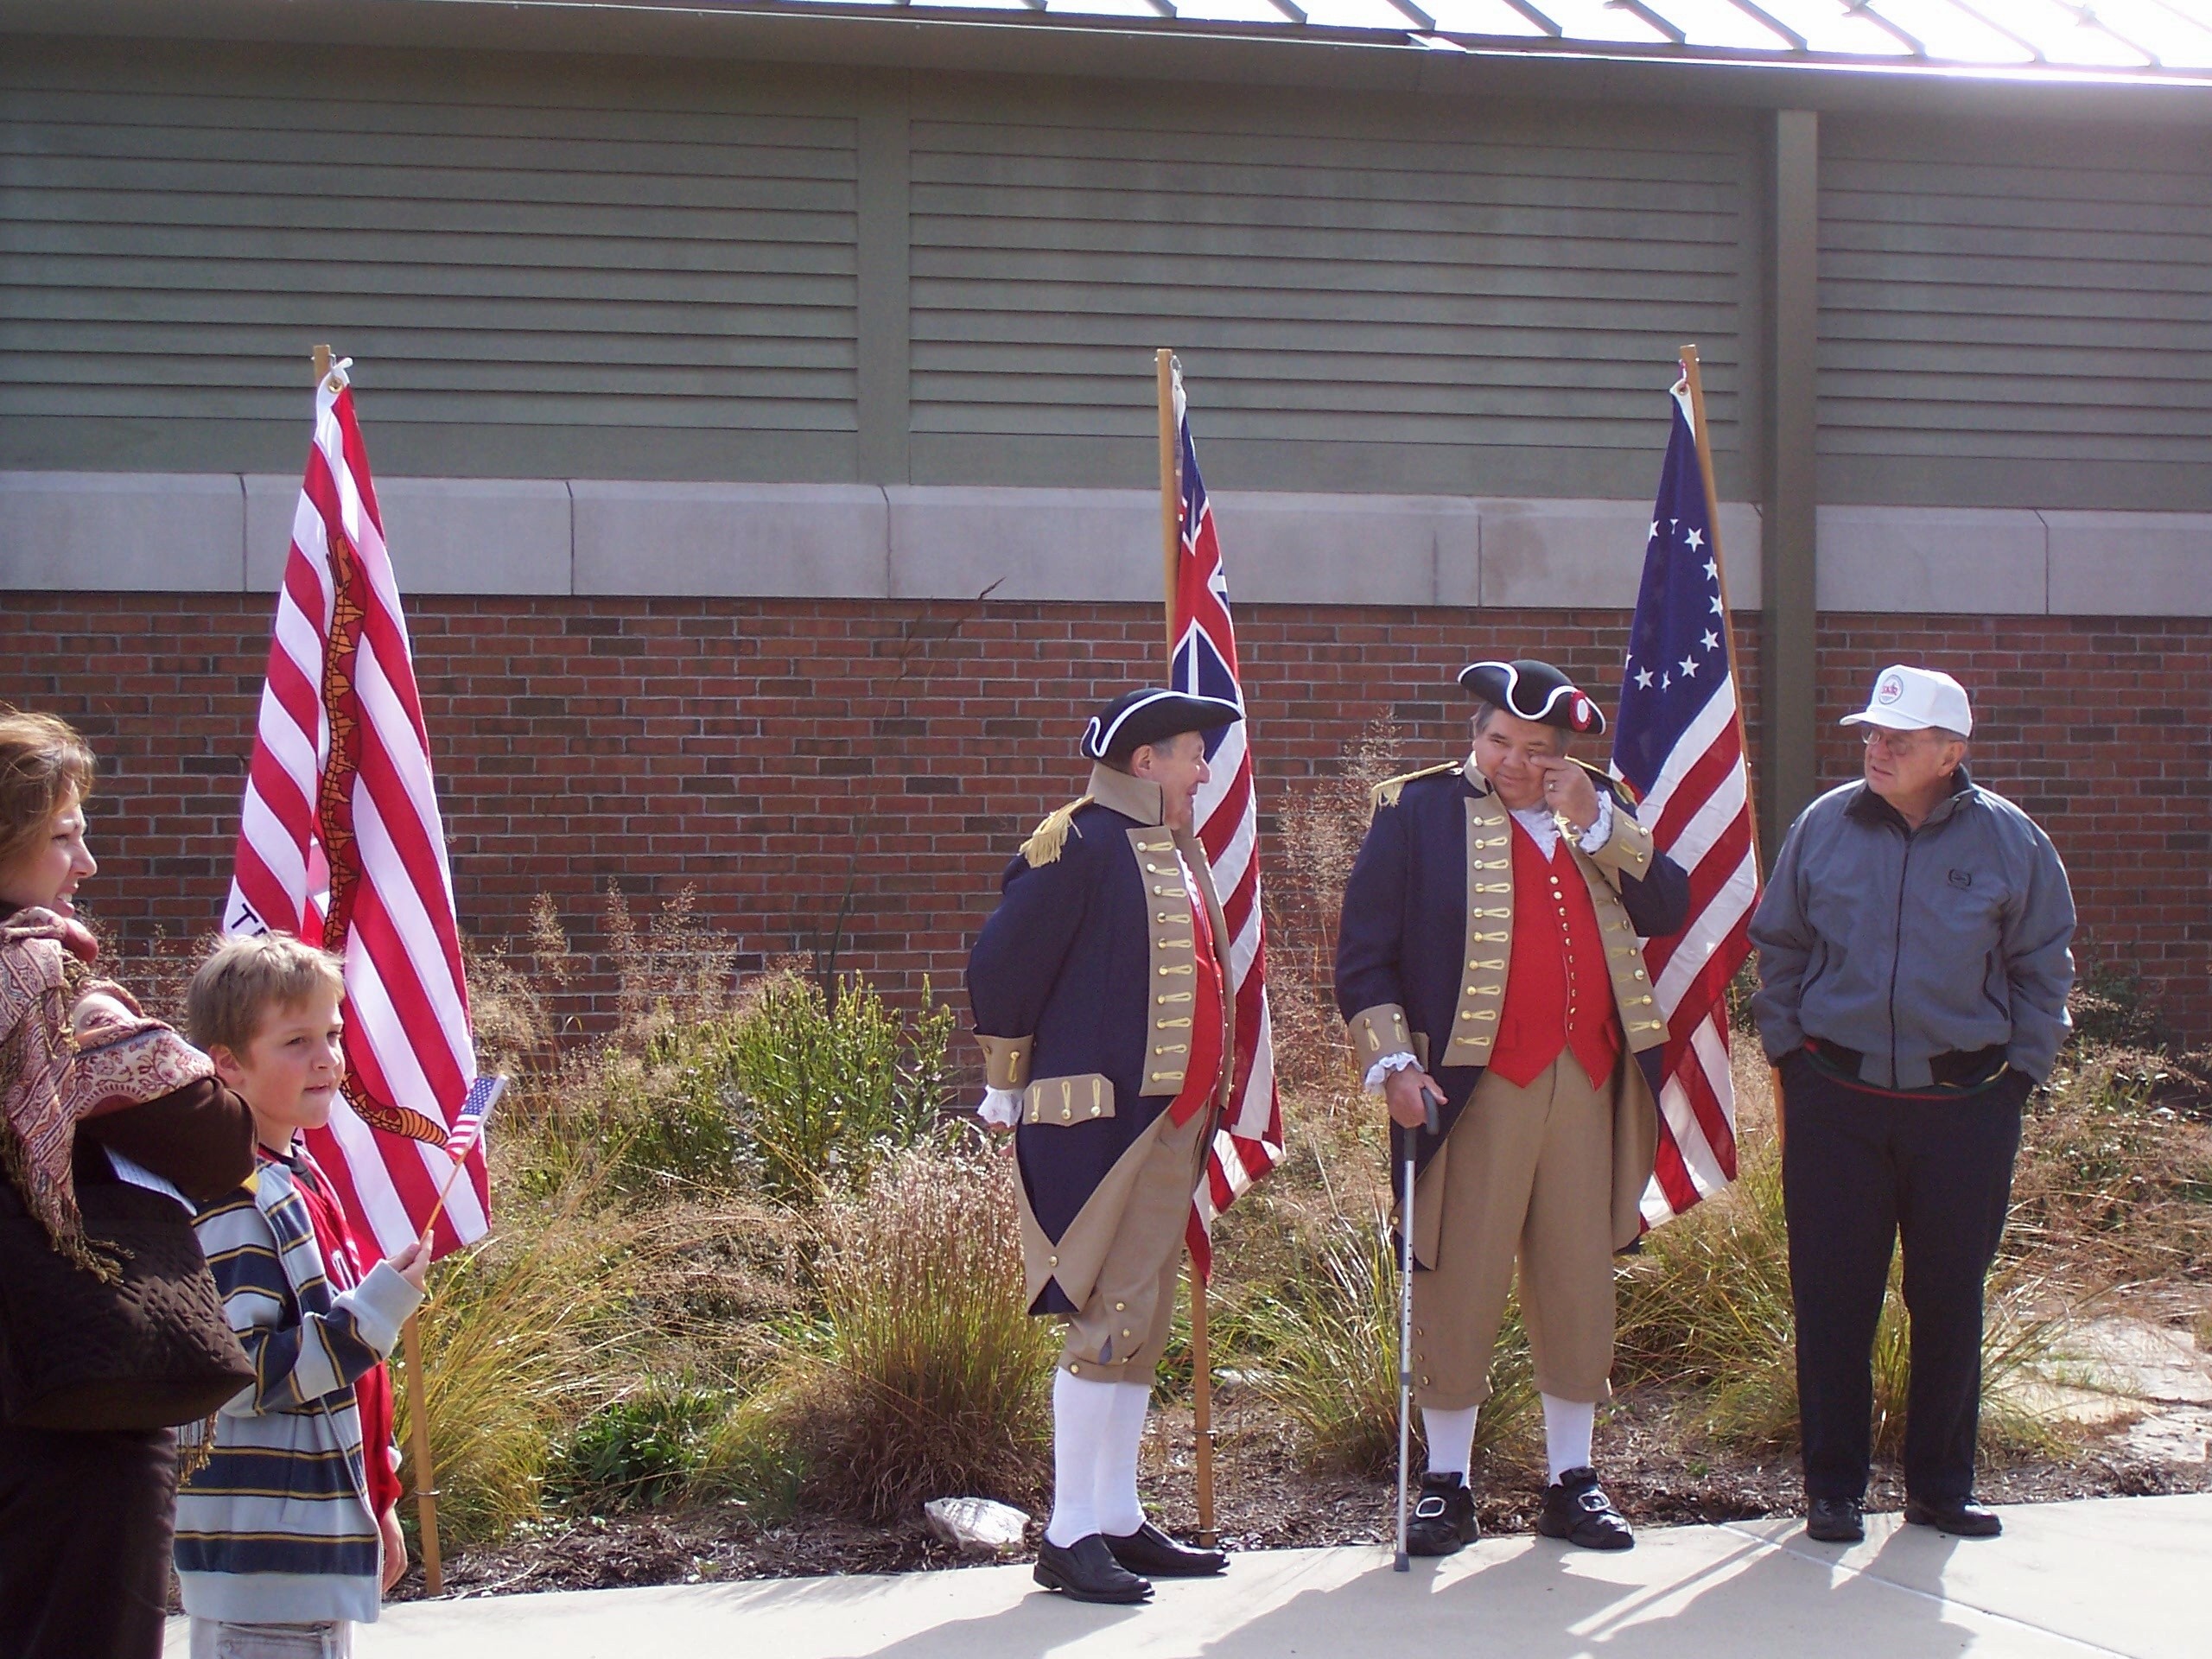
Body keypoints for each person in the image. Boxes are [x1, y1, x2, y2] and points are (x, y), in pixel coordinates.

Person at [1335, 660, 1689, 1556]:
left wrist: (1595, 821)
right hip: (1469, 1086)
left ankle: (1572, 1479)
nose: (1509, 761)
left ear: (1562, 757)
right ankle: (1446, 1484)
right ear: (1477, 735)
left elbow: (1666, 902)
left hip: (1587, 1079)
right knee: (1457, 1274)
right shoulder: (1412, 810)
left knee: (1577, 1279)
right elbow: (1363, 955)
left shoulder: (1599, 808)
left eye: (1532, 750)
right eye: (1496, 740)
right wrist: (1392, 1063)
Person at [1751, 664, 2074, 1545]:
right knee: (1832, 1298)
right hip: (1836, 1102)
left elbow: (2043, 965)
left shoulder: (2012, 842)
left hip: (1965, 1107)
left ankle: (1939, 1487)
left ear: (1950, 752)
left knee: (1947, 1299)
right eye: (1870, 733)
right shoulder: (1823, 826)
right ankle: (1833, 1491)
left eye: (1898, 737)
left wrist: (2017, 1076)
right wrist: (1790, 1052)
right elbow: (1778, 943)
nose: (1876, 748)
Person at [967, 687, 1243, 1605]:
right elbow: (1001, 968)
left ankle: (1115, 1516)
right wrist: (1004, 1082)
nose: (1204, 770)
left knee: (1135, 1329)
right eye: (1191, 754)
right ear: (1142, 762)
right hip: (1100, 1123)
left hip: (1171, 1120)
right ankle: (1068, 1533)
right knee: (1101, 1325)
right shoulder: (1077, 843)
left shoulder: (1168, 847)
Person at [0, 708, 258, 1659]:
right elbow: (216, 1142)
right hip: (69, 1402)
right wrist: (176, 1053)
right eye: (63, 835)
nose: (87, 865)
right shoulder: (54, 995)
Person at [175, 933, 430, 1656]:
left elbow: (343, 1390)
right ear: (227, 1064)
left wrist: (374, 1501)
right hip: (263, 1560)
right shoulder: (233, 1198)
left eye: (332, 1034)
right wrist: (376, 1312)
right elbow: (240, 1371)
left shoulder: (298, 1177)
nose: (326, 1058)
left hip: (306, 1540)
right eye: (295, 1041)